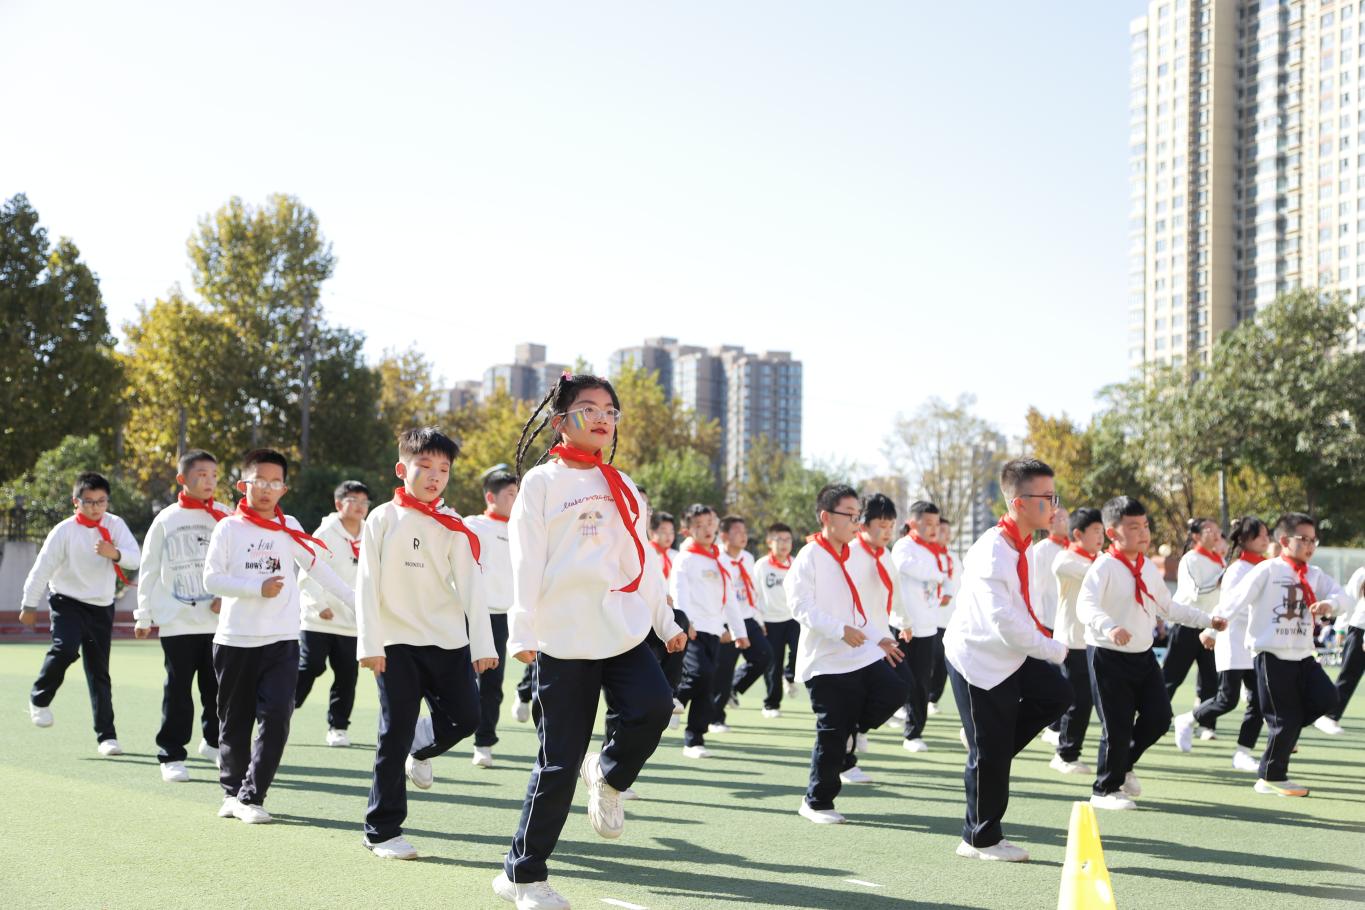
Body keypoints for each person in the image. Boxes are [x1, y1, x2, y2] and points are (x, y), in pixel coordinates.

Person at [494, 373, 685, 910]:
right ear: (559, 421)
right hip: (561, 640)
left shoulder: (623, 485)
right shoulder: (542, 484)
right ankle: (523, 877)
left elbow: (640, 562)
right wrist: (523, 630)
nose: (601, 417)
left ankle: (608, 773)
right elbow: (525, 562)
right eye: (587, 408)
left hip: (621, 630)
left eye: (609, 410)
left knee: (652, 707)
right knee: (557, 763)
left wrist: (665, 621)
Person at [355, 427, 497, 858]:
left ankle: (423, 745)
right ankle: (382, 831)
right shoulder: (381, 518)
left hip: (447, 640)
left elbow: (472, 586)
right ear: (403, 469)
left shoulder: (452, 524)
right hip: (396, 644)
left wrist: (483, 645)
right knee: (392, 733)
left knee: (468, 717)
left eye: (444, 469)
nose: (435, 476)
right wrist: (370, 644)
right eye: (425, 466)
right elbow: (366, 584)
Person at [204, 449, 354, 824]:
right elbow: (211, 579)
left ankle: (252, 796)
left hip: (282, 641)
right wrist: (257, 587)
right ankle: (231, 791)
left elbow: (321, 568)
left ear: (283, 488)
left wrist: (361, 603)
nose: (267, 489)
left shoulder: (290, 528)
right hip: (235, 640)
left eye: (275, 483)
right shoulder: (229, 528)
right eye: (260, 481)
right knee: (233, 721)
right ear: (244, 484)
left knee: (276, 716)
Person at [944, 459, 1071, 861]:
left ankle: (987, 748)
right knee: (991, 754)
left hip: (1010, 654)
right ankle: (980, 839)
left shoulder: (1023, 543)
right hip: (978, 660)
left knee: (1057, 695)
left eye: (1055, 496)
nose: (1055, 505)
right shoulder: (992, 552)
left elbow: (1018, 613)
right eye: (1047, 498)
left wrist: (1043, 639)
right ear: (1019, 503)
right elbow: (1003, 622)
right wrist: (1052, 647)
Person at [1076, 496, 1226, 811]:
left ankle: (1124, 765)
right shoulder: (1104, 566)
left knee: (1159, 718)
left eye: (1145, 525)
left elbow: (1167, 607)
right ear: (1112, 532)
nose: (1143, 533)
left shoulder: (1145, 565)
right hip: (1107, 654)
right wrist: (1109, 626)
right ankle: (1104, 790)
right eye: (1133, 527)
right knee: (1116, 726)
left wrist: (1206, 620)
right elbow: (1085, 605)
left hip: (1142, 656)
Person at [789, 483, 907, 824]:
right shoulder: (810, 555)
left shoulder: (850, 554)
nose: (856, 522)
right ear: (826, 517)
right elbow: (800, 606)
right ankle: (816, 802)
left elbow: (860, 609)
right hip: (825, 660)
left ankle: (855, 729)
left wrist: (878, 637)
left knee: (896, 690)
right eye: (849, 515)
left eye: (858, 515)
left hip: (860, 651)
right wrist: (840, 630)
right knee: (832, 731)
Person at [1215, 513, 1350, 797]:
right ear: (1285, 540)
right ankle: (1270, 776)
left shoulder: (1314, 575)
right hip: (1271, 656)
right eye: (1304, 539)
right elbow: (1236, 599)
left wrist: (1330, 604)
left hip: (1303, 657)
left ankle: (1282, 733)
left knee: (1328, 698)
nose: (1311, 546)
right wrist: (1213, 628)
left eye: (1314, 540)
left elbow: (1344, 596)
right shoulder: (1267, 570)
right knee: (1285, 720)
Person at [21, 471, 141, 755]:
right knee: (65, 649)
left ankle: (106, 737)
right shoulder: (64, 531)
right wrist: (28, 605)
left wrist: (115, 553)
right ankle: (39, 698)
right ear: (76, 501)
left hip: (101, 606)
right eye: (88, 502)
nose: (95, 507)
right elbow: (42, 568)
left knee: (99, 672)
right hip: (67, 601)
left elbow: (135, 557)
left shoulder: (116, 525)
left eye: (101, 501)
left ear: (107, 502)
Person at [134, 449, 228, 781]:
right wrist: (143, 614)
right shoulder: (166, 519)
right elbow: (148, 569)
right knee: (178, 688)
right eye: (201, 474)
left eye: (214, 475)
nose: (209, 481)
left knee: (216, 688)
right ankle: (171, 754)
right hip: (177, 621)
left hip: (218, 623)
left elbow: (237, 565)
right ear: (182, 479)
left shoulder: (226, 517)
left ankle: (216, 744)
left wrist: (226, 597)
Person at [1176, 517, 1270, 770]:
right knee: (1227, 699)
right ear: (1245, 540)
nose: (1266, 539)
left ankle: (1243, 752)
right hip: (1233, 638)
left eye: (1266, 535)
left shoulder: (1267, 566)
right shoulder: (1237, 569)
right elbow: (1227, 605)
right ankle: (1187, 719)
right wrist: (1212, 632)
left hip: (1255, 642)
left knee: (1259, 700)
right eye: (1260, 535)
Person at [294, 480, 369, 748]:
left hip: (351, 623)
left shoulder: (370, 533)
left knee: (347, 675)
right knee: (310, 666)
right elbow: (308, 570)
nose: (360, 506)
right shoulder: (326, 532)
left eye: (364, 501)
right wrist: (318, 604)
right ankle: (280, 713)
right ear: (339, 504)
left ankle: (338, 727)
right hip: (318, 620)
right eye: (353, 500)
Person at [672, 503, 750, 758]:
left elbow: (730, 600)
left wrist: (740, 632)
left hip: (715, 631)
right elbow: (679, 593)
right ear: (687, 530)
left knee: (708, 686)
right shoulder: (685, 559)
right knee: (700, 673)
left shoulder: (719, 560)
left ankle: (694, 740)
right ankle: (673, 702)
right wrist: (686, 623)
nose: (706, 530)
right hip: (693, 630)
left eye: (709, 524)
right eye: (699, 526)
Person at [465, 469, 519, 767]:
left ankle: (484, 742)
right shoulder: (473, 525)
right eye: (510, 494)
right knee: (459, 679)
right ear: (490, 497)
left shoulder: (524, 529)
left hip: (502, 617)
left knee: (492, 682)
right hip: (470, 613)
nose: (515, 500)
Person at [1046, 506, 1103, 776]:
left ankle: (1069, 750)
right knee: (1077, 700)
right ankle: (1064, 754)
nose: (1101, 536)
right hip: (1071, 640)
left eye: (1103, 531)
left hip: (1092, 640)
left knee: (1087, 699)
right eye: (1095, 531)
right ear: (1078, 534)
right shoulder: (1065, 560)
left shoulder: (1099, 559)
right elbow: (1098, 576)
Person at [1163, 517, 1226, 739]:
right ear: (1196, 536)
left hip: (1210, 627)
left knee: (1210, 679)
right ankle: (1156, 716)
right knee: (1172, 676)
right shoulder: (1190, 559)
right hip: (1187, 625)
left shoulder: (1221, 562)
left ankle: (1207, 725)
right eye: (1209, 529)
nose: (1215, 532)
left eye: (1217, 528)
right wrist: (1219, 579)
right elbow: (1195, 591)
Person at [890, 502, 946, 750]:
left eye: (936, 524)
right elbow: (903, 566)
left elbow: (942, 580)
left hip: (927, 626)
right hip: (903, 624)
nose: (934, 529)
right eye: (928, 524)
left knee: (922, 681)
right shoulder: (904, 546)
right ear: (913, 524)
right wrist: (935, 575)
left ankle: (913, 734)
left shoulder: (935, 550)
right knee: (897, 679)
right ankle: (879, 716)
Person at [709, 515, 772, 731]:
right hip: (726, 620)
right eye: (737, 532)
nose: (743, 536)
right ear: (724, 535)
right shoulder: (715, 557)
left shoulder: (747, 557)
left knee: (764, 655)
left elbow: (751, 589)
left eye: (745, 532)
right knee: (723, 670)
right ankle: (716, 718)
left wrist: (758, 618)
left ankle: (734, 688)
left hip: (747, 617)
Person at [754, 523, 797, 717]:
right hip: (770, 620)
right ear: (769, 542)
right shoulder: (762, 565)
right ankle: (771, 704)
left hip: (793, 617)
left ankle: (790, 676)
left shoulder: (796, 563)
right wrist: (759, 620)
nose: (784, 544)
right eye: (779, 540)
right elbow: (753, 594)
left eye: (787, 539)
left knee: (799, 651)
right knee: (773, 663)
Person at [1318, 560, 1365, 735]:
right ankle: (1329, 716)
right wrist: (1340, 627)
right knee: (1349, 674)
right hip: (1360, 628)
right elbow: (1349, 600)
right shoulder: (1362, 572)